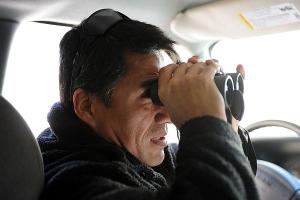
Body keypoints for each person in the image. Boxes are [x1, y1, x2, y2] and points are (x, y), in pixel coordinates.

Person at [37, 8, 259, 200]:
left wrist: (224, 122)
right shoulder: (73, 184)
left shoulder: (130, 150)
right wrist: (204, 122)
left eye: (166, 92)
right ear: (87, 106)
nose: (169, 114)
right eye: (151, 93)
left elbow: (228, 182)